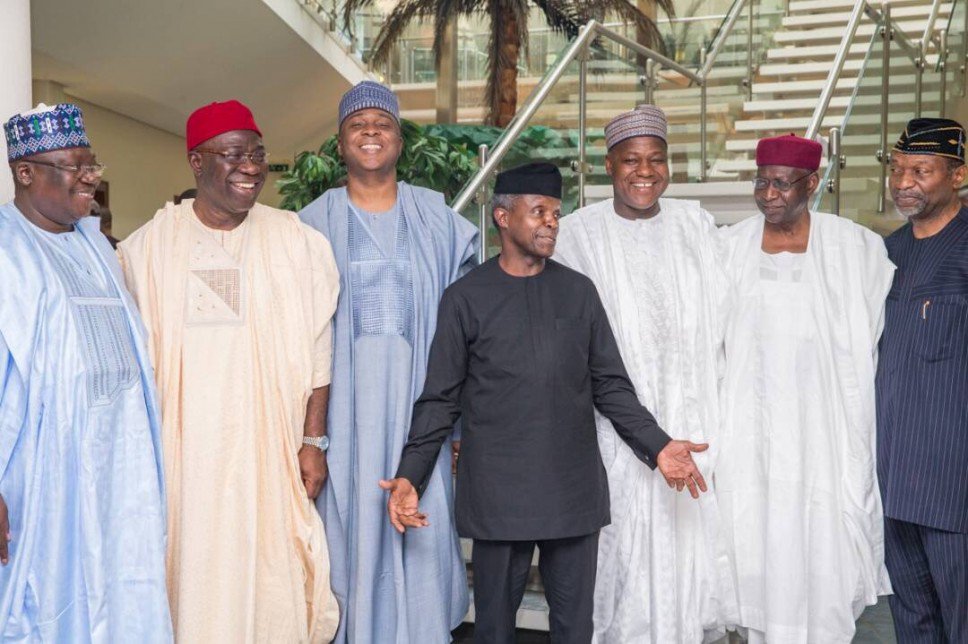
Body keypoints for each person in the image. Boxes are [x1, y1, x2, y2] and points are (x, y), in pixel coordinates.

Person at [380, 162, 711, 644]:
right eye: (538, 212)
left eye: (556, 213)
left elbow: (611, 386)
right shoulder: (465, 298)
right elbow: (439, 399)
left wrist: (658, 446)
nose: (552, 222)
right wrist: (411, 474)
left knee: (575, 630)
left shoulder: (578, 292)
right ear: (502, 217)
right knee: (493, 630)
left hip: (572, 492)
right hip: (499, 496)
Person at [118, 100, 340, 643]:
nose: (251, 167)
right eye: (234, 155)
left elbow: (320, 349)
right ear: (196, 162)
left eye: (258, 154)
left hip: (270, 453)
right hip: (185, 460)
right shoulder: (147, 249)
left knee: (273, 575)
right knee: (189, 578)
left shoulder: (297, 242)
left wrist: (313, 440)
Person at [299, 80, 476, 644]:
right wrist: (309, 436)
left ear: (400, 140)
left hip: (424, 409)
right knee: (348, 526)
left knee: (424, 522)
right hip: (343, 413)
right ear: (340, 143)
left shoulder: (436, 217)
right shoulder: (309, 225)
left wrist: (459, 424)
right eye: (358, 124)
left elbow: (470, 326)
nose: (370, 132)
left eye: (382, 124)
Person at [554, 104, 737, 643]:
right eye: (631, 160)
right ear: (608, 165)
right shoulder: (578, 234)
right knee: (624, 550)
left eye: (656, 159)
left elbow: (726, 315)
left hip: (692, 409)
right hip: (615, 427)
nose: (645, 171)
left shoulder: (694, 224)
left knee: (689, 544)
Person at [0, 103, 171, 641]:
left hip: (120, 465)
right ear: (25, 172)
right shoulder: (5, 251)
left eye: (91, 164)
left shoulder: (95, 244)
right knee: (48, 598)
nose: (90, 177)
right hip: (43, 470)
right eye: (74, 165)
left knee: (123, 592)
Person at [716, 134, 895, 643]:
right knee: (755, 538)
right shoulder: (729, 247)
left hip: (824, 433)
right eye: (761, 182)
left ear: (813, 183)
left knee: (822, 542)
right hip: (750, 430)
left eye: (781, 183)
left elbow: (871, 338)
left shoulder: (854, 248)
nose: (768, 194)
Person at [876, 117, 968, 643]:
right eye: (897, 169)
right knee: (911, 622)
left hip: (954, 484)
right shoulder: (885, 255)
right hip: (893, 480)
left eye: (921, 170)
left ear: (957, 175)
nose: (903, 183)